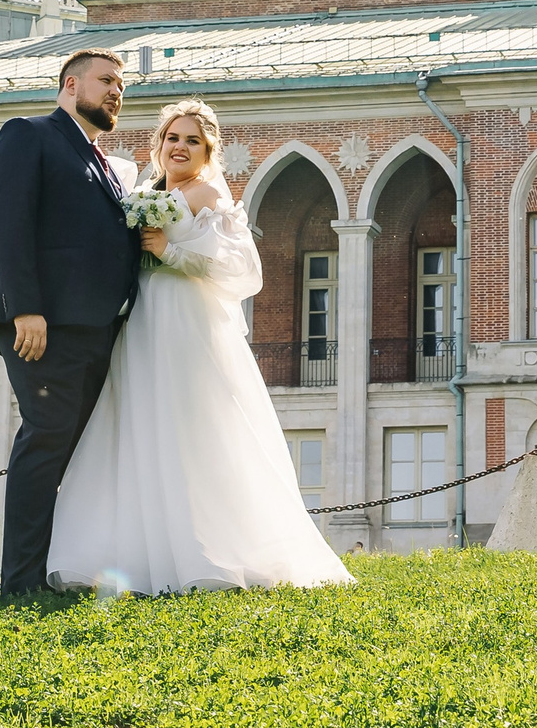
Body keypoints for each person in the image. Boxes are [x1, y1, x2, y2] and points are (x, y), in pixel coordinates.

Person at [46, 98, 353, 593]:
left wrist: (171, 252)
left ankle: (209, 552)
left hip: (189, 324)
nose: (180, 147)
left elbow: (241, 270)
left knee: (194, 426)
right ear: (159, 145)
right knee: (139, 423)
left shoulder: (209, 194)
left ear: (207, 149)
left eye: (192, 140)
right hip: (143, 321)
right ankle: (135, 554)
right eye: (172, 138)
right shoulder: (144, 194)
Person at [0, 48, 141, 596]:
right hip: (43, 323)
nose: (117, 91)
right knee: (46, 437)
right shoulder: (28, 134)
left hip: (93, 327)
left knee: (72, 447)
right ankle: (20, 582)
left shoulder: (102, 160)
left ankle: (52, 570)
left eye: (122, 84)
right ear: (71, 84)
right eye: (107, 81)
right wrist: (27, 308)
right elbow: (10, 222)